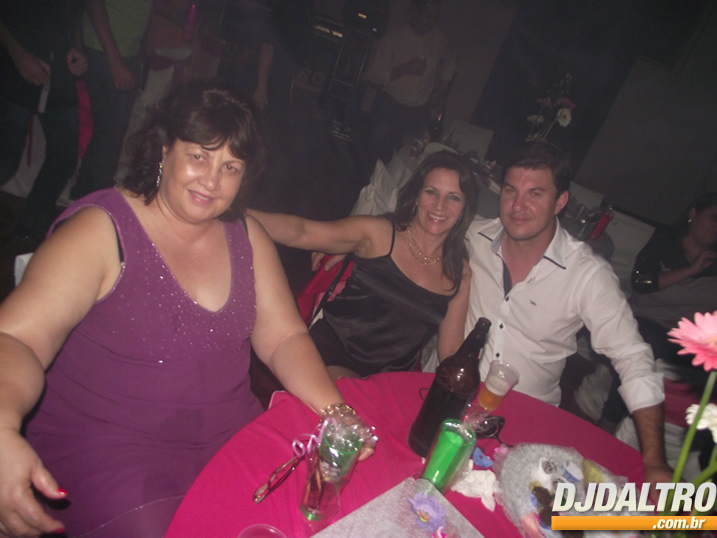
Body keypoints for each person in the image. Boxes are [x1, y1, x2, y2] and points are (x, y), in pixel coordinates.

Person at [0, 80, 372, 537]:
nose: (212, 181)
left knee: (298, 512)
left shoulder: (247, 235)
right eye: (199, 156)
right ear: (164, 150)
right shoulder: (100, 231)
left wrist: (335, 411)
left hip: (224, 437)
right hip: (111, 449)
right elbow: (16, 338)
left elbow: (284, 337)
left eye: (230, 167)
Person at [464, 140, 672, 484]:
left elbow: (634, 359)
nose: (518, 206)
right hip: (457, 395)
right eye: (511, 190)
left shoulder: (587, 274)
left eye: (535, 194)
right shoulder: (473, 237)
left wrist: (654, 462)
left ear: (560, 201)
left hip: (527, 419)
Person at [249, 151, 477, 379]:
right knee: (348, 398)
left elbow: (450, 352)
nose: (439, 205)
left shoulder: (458, 273)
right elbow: (302, 231)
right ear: (417, 195)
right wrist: (240, 214)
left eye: (453, 197)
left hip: (390, 381)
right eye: (431, 192)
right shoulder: (379, 235)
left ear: (464, 208)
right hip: (334, 356)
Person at [612, 192, 717, 478]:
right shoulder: (666, 244)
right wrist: (692, 270)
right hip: (648, 321)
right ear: (693, 215)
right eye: (714, 218)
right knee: (646, 347)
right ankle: (613, 418)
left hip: (690, 337)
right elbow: (641, 282)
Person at [0, 0, 88, 244]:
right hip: (15, 74)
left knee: (63, 159)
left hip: (60, 79)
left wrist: (77, 49)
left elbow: (75, 15)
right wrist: (19, 55)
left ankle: (29, 225)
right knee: (5, 160)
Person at [69, 0, 153, 199]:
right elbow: (94, 5)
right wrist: (115, 61)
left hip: (124, 53)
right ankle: (98, 203)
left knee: (106, 134)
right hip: (109, 53)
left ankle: (82, 197)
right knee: (110, 139)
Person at [365, 0, 456, 165]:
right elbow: (373, 75)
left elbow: (450, 63)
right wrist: (405, 69)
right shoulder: (393, 37)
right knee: (376, 159)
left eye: (435, 17)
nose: (431, 22)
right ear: (415, 12)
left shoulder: (440, 40)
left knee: (407, 160)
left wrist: (440, 91)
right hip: (390, 105)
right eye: (427, 16)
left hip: (418, 111)